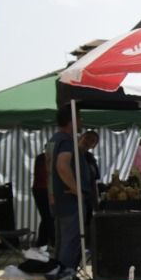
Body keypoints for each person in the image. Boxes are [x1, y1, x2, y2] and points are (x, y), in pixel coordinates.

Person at [47, 109, 83, 270]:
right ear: (71, 121)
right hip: (68, 200)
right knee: (69, 243)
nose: (81, 122)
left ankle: (59, 279)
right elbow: (62, 165)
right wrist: (77, 190)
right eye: (79, 119)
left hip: (58, 199)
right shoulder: (66, 141)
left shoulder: (54, 140)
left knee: (62, 243)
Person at [31, 147, 54, 249]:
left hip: (41, 189)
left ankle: (43, 242)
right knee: (48, 217)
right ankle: (46, 242)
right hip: (43, 189)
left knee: (47, 218)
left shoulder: (42, 158)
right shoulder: (44, 158)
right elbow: (46, 175)